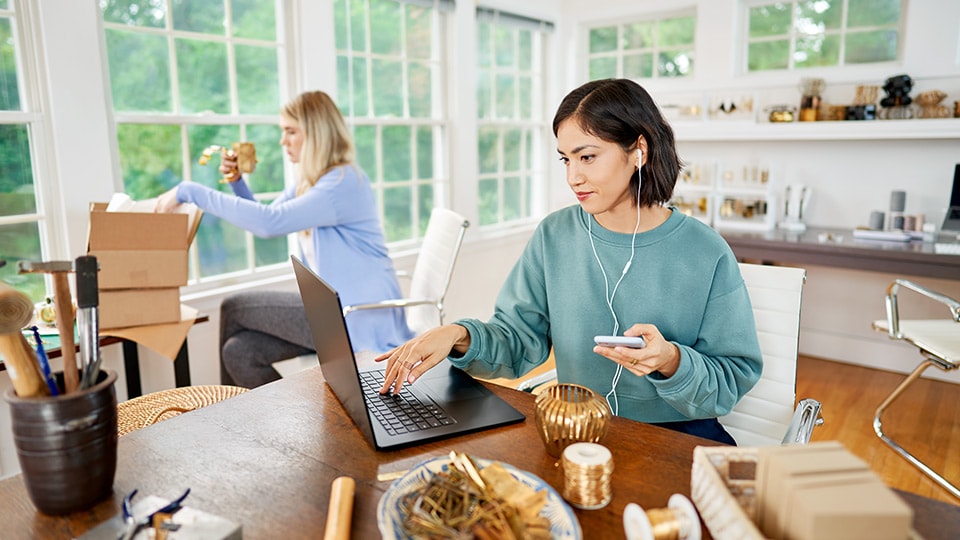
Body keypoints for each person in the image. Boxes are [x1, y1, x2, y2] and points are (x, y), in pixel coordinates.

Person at [375, 79, 762, 445]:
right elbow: (517, 340)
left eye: (588, 157)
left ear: (638, 150)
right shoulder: (554, 235)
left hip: (678, 437)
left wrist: (671, 360)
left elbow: (730, 381)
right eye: (565, 160)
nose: (574, 177)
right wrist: (456, 336)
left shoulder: (705, 251)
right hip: (576, 430)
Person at [156, 90, 413, 388]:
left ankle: (225, 411)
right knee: (240, 352)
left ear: (317, 134)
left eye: (291, 132)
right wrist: (238, 183)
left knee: (234, 307)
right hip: (332, 309)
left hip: (353, 317)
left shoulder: (341, 183)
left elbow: (269, 224)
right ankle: (275, 414)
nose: (283, 141)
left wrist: (190, 190)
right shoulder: (311, 182)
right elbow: (269, 215)